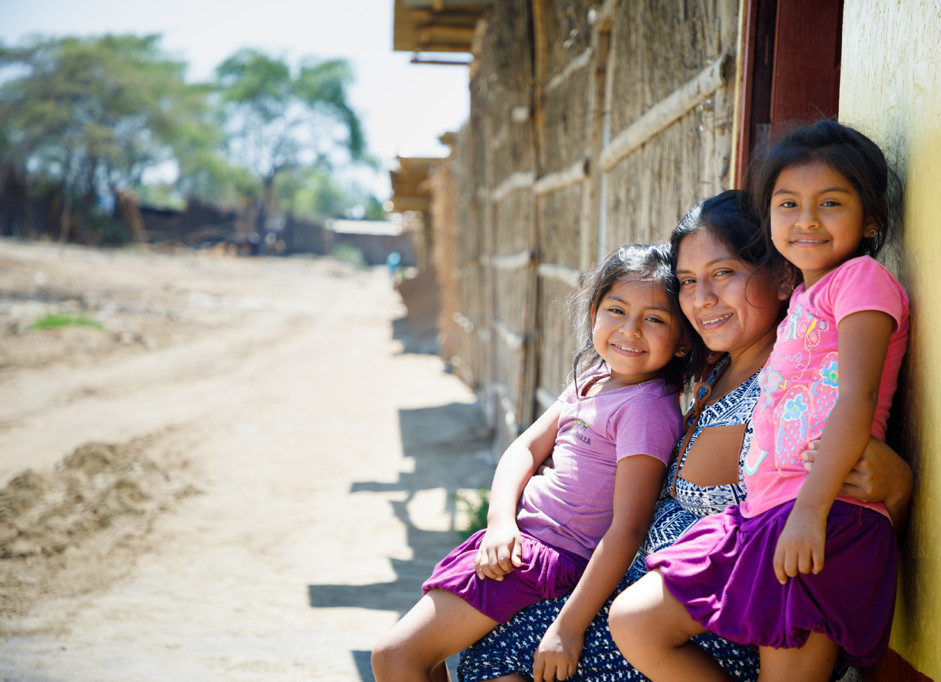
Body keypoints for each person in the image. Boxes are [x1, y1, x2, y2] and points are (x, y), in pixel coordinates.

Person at [457, 188, 913, 682]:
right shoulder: (709, 376)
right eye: (689, 281)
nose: (702, 299)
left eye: (724, 274)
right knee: (491, 646)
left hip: (709, 633)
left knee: (495, 656)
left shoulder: (790, 396)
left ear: (783, 276)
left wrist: (897, 484)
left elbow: (853, 510)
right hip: (647, 603)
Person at [610, 121, 909, 681]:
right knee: (635, 621)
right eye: (788, 203)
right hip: (764, 518)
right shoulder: (801, 301)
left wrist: (810, 512)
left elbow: (856, 399)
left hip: (816, 519)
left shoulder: (861, 281)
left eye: (831, 203)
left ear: (869, 218)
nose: (807, 220)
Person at [372, 243, 693, 682]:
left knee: (395, 656)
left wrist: (569, 625)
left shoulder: (645, 409)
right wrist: (501, 521)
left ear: (682, 342)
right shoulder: (595, 379)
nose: (630, 330)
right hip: (517, 544)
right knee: (420, 659)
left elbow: (627, 529)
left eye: (655, 319)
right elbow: (522, 449)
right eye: (616, 310)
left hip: (548, 562)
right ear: (594, 311)